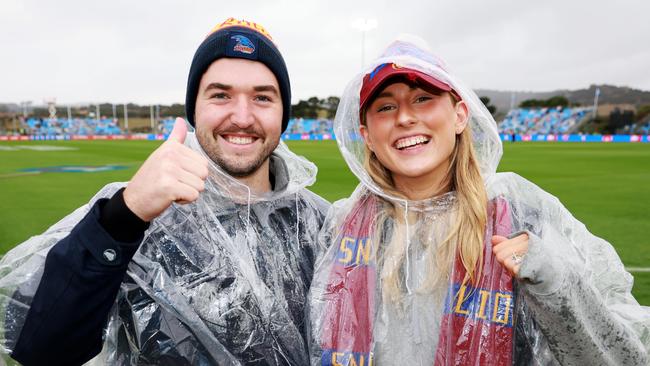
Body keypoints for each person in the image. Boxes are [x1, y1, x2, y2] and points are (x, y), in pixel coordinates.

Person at [0, 18, 328, 365]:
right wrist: (123, 216)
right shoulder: (137, 215)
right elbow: (39, 348)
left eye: (262, 97)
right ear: (194, 110)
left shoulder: (320, 225)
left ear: (283, 114)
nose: (242, 117)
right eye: (220, 95)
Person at [308, 36, 650, 365]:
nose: (404, 117)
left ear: (459, 115)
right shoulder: (341, 226)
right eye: (385, 106)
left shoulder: (524, 217)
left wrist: (552, 279)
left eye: (423, 98)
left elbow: (625, 356)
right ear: (366, 134)